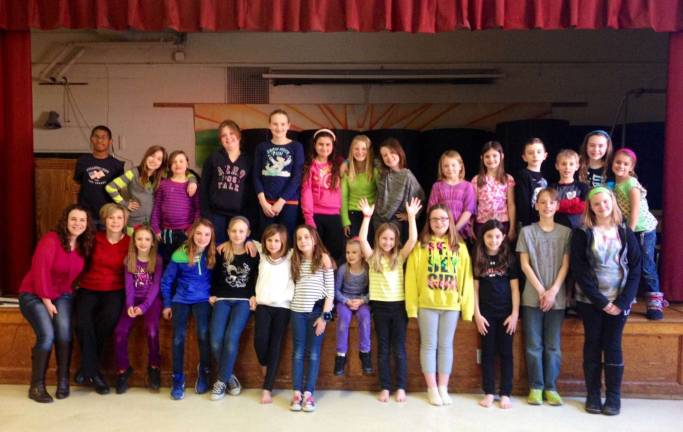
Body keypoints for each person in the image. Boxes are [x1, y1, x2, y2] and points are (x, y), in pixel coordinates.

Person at [571, 187, 641, 416]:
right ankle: (592, 395)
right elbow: (579, 271)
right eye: (597, 204)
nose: (602, 207)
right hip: (590, 301)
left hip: (619, 301)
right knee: (592, 344)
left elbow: (635, 269)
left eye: (605, 202)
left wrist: (622, 302)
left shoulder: (625, 232)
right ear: (590, 207)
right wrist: (601, 301)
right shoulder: (582, 232)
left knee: (612, 345)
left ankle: (613, 397)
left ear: (612, 202)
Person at [19, 204, 95, 402]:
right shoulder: (51, 240)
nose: (77, 223)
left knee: (64, 333)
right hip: (34, 294)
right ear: (65, 221)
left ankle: (63, 381)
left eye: (82, 220)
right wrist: (46, 300)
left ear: (87, 224)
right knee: (47, 335)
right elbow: (40, 270)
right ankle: (36, 387)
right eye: (73, 219)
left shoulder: (82, 245)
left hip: (62, 294)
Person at [405, 204, 474, 406]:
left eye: (444, 219)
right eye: (435, 219)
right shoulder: (420, 246)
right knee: (428, 345)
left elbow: (466, 279)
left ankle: (443, 387)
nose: (439, 223)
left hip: (451, 305)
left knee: (445, 346)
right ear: (429, 222)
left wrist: (467, 309)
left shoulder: (459, 247)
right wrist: (412, 307)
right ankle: (432, 388)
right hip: (427, 303)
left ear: (450, 221)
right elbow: (411, 278)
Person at [359, 196, 422, 403]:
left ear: (396, 241)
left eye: (391, 239)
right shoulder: (372, 257)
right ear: (378, 239)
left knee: (399, 349)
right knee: (383, 349)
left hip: (398, 307)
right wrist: (367, 217)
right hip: (379, 307)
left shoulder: (399, 257)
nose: (387, 242)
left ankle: (401, 387)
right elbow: (362, 240)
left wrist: (411, 217)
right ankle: (385, 387)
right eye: (384, 238)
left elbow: (412, 240)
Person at [516, 188, 571, 406]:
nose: (547, 206)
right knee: (533, 344)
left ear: (557, 206)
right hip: (532, 296)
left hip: (556, 297)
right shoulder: (526, 232)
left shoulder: (566, 233)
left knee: (553, 346)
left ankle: (551, 387)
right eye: (543, 202)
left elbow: (566, 265)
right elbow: (524, 264)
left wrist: (553, 291)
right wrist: (541, 291)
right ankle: (536, 386)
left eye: (551, 202)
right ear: (536, 205)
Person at [75, 203, 130, 395]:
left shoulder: (130, 242)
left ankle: (87, 369)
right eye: (111, 218)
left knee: (106, 323)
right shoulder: (93, 239)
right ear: (104, 220)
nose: (115, 222)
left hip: (115, 290)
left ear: (125, 221)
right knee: (82, 324)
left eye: (119, 218)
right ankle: (94, 372)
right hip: (88, 287)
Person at [161, 219, 216, 400]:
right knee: (178, 337)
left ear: (211, 237)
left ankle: (205, 372)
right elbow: (167, 280)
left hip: (203, 299)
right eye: (199, 233)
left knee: (203, 332)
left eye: (207, 234)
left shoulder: (214, 253)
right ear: (192, 234)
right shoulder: (180, 254)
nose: (202, 238)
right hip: (181, 300)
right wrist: (167, 303)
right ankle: (178, 378)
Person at [611, 148, 666, 320]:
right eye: (618, 162)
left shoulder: (631, 184)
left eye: (625, 164)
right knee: (628, 264)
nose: (621, 166)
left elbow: (635, 211)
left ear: (631, 167)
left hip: (643, 229)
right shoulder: (616, 184)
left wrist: (629, 233)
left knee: (646, 265)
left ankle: (655, 303)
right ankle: (629, 298)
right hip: (631, 229)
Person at [209, 216, 259, 401]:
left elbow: (257, 276)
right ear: (228, 232)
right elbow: (213, 275)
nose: (237, 234)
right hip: (222, 299)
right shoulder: (221, 251)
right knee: (215, 340)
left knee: (231, 338)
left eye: (241, 231)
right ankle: (229, 376)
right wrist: (212, 293)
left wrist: (254, 294)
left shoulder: (253, 253)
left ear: (248, 233)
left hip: (243, 301)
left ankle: (221, 381)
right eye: (234, 231)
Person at [472, 219, 520, 409]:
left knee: (506, 353)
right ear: (483, 237)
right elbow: (474, 289)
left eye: (498, 236)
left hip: (506, 314)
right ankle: (489, 392)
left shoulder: (509, 258)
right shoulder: (478, 257)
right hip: (486, 315)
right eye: (489, 236)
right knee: (488, 353)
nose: (493, 240)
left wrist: (515, 314)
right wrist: (477, 314)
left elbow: (515, 289)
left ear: (503, 237)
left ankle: (506, 393)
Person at [288, 225, 335, 412]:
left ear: (314, 239)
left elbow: (330, 293)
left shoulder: (323, 260)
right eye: (299, 238)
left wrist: (325, 317)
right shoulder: (294, 259)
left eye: (306, 237)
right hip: (297, 313)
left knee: (314, 353)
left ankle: (309, 394)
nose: (303, 241)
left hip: (317, 313)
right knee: (298, 352)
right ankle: (297, 393)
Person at [112, 224, 163, 394]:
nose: (143, 242)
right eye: (139, 239)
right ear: (133, 241)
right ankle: (123, 370)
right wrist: (130, 306)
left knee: (152, 331)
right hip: (133, 301)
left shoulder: (157, 260)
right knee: (120, 332)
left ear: (153, 243)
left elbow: (155, 287)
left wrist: (144, 307)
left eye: (147, 239)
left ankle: (154, 367)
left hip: (151, 301)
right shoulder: (129, 260)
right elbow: (129, 287)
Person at [252, 224, 294, 404]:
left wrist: (323, 254)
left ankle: (267, 389)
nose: (273, 244)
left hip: (283, 308)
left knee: (275, 345)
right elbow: (246, 238)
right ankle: (263, 363)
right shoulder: (261, 254)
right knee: (260, 341)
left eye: (277, 240)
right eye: (269, 240)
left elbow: (311, 246)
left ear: (284, 242)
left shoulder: (291, 256)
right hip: (263, 305)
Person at [200, 120, 254, 245]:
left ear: (239, 136)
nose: (228, 138)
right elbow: (203, 188)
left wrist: (248, 217)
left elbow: (251, 191)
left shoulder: (249, 160)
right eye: (224, 135)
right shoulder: (213, 158)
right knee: (218, 250)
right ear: (220, 140)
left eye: (231, 133)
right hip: (215, 214)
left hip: (239, 215)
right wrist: (206, 214)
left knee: (236, 250)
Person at [253, 109, 305, 240]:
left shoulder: (297, 147)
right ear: (269, 125)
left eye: (282, 124)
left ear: (288, 125)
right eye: (275, 124)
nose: (279, 128)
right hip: (266, 203)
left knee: (286, 241)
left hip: (288, 202)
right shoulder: (261, 147)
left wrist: (281, 202)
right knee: (266, 240)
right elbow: (256, 176)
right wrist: (263, 202)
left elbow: (297, 177)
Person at [300, 128, 345, 263]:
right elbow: (306, 192)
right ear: (314, 145)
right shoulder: (309, 166)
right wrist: (309, 218)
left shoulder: (339, 165)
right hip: (315, 215)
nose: (324, 147)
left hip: (334, 215)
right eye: (320, 144)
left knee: (335, 253)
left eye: (328, 144)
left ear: (333, 146)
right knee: (315, 254)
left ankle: (333, 282)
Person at [151, 150, 201, 267]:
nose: (178, 164)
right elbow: (157, 207)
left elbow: (198, 209)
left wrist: (193, 228)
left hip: (186, 232)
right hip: (166, 232)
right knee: (168, 263)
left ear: (187, 164)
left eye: (181, 161)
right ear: (169, 166)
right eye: (174, 162)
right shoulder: (163, 185)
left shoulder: (192, 186)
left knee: (184, 263)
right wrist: (156, 228)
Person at [373, 138, 425, 243]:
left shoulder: (407, 176)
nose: (389, 157)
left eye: (392, 152)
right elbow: (364, 159)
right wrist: (346, 163)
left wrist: (410, 215)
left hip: (396, 224)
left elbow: (421, 197)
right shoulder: (381, 172)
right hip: (378, 222)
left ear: (399, 152)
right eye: (385, 155)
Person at [106, 145, 166, 234]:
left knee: (150, 247)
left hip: (153, 224)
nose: (154, 160)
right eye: (152, 156)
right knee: (132, 247)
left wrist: (193, 181)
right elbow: (110, 187)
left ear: (162, 163)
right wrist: (124, 203)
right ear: (146, 156)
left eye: (159, 159)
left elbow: (184, 173)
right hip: (133, 223)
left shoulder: (161, 177)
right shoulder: (133, 173)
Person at [333, 239, 372, 376]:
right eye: (348, 252)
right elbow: (336, 291)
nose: (350, 255)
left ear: (362, 254)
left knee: (365, 318)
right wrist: (346, 301)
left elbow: (372, 291)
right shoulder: (343, 269)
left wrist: (362, 301)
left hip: (361, 301)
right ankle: (340, 356)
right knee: (343, 319)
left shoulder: (367, 269)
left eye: (354, 252)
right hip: (345, 301)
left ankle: (365, 353)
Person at [73, 125, 124, 226]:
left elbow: (119, 192)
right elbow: (76, 187)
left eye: (104, 137)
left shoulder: (117, 165)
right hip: (85, 214)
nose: (100, 140)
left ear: (110, 141)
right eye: (96, 136)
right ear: (92, 139)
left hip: (108, 214)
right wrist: (75, 209)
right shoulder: (82, 161)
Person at [427, 150, 476, 240]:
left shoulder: (468, 186)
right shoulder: (437, 186)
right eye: (446, 166)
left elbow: (468, 211)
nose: (450, 168)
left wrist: (454, 230)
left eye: (453, 165)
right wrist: (443, 229)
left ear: (460, 166)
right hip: (440, 231)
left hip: (461, 231)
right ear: (441, 168)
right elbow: (432, 210)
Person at [471, 141, 516, 239]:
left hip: (502, 223)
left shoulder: (508, 178)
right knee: (482, 253)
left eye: (495, 155)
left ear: (502, 156)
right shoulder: (476, 179)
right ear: (482, 158)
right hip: (482, 224)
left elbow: (511, 204)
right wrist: (470, 227)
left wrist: (512, 228)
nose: (491, 159)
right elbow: (473, 205)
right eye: (487, 156)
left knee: (502, 253)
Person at [341, 134, 378, 239]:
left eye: (364, 149)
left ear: (369, 151)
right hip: (353, 213)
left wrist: (374, 210)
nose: (360, 152)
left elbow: (381, 194)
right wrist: (345, 221)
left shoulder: (375, 171)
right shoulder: (347, 171)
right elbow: (343, 197)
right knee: (355, 248)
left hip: (371, 213)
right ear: (352, 151)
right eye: (356, 149)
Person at [515, 137, 548, 228]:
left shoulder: (544, 178)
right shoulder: (523, 175)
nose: (535, 155)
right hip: (528, 223)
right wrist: (527, 226)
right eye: (530, 153)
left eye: (538, 152)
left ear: (544, 156)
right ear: (524, 157)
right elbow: (524, 203)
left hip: (542, 222)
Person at [553, 149, 588, 230]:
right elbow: (551, 207)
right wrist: (574, 203)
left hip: (577, 229)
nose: (567, 167)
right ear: (557, 166)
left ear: (577, 167)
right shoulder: (552, 188)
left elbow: (584, 207)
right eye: (563, 164)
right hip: (557, 228)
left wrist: (560, 206)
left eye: (571, 164)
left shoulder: (583, 187)